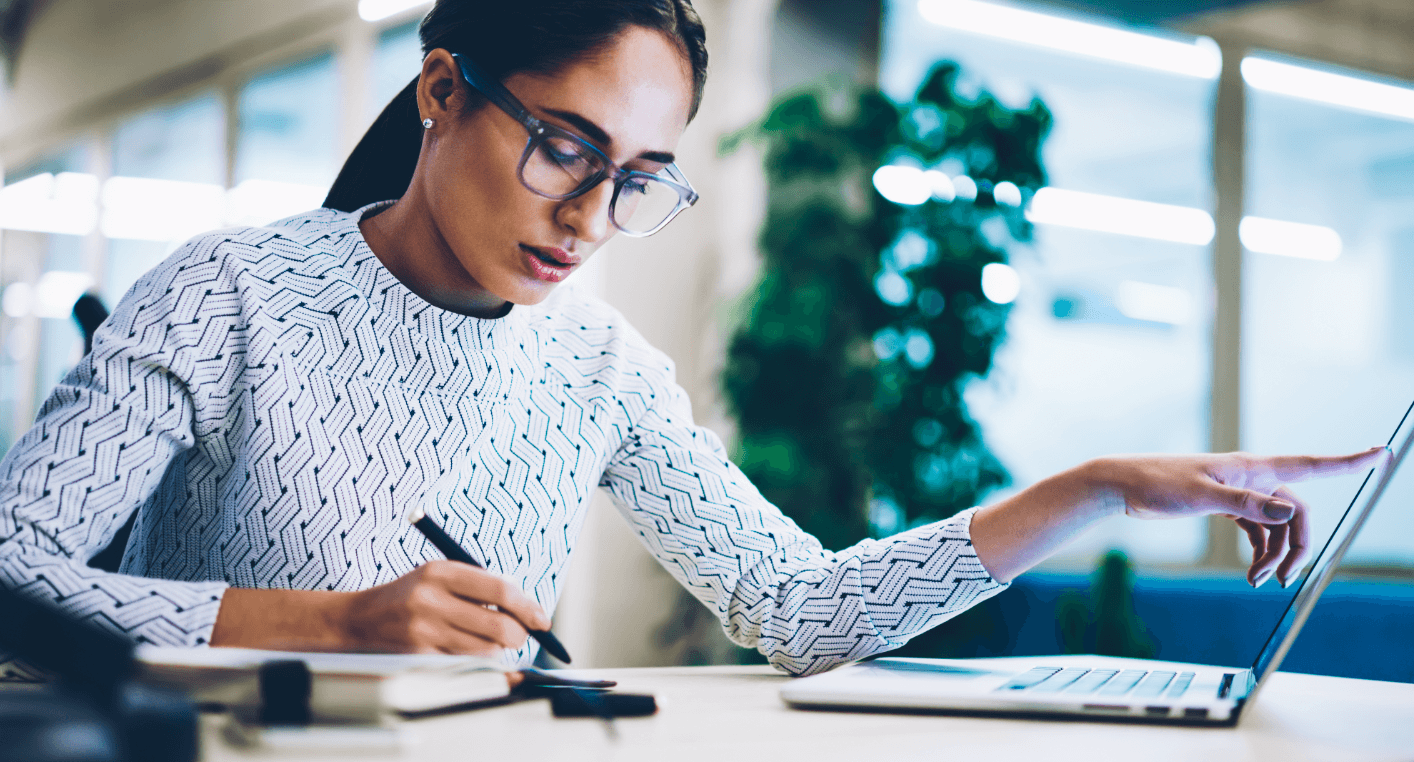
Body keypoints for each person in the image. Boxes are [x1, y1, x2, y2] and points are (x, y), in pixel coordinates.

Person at [0, 0, 1386, 678]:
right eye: (561, 147)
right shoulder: (229, 291)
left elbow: (796, 607)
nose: (592, 215)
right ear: (440, 91)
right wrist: (326, 625)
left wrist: (1093, 486)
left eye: (638, 176)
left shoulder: (594, 367)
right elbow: (14, 563)